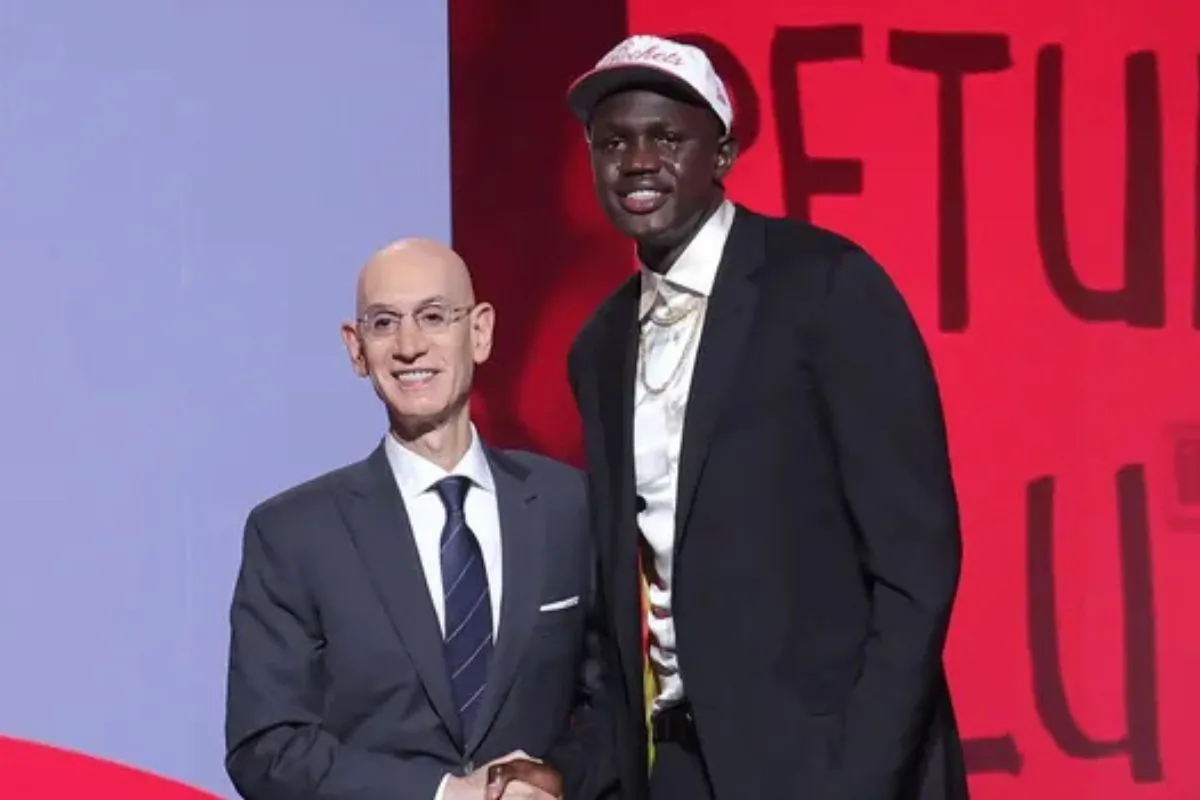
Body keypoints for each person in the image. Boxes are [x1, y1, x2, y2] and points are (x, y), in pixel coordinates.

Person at [560, 34, 969, 800]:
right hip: (680, 761)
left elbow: (916, 562)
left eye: (666, 138)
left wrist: (862, 770)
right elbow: (625, 592)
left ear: (722, 152)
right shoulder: (600, 345)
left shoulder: (824, 287)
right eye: (612, 142)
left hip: (830, 763)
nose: (637, 161)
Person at [224, 239, 616, 800]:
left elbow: (615, 705)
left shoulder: (567, 505)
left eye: (433, 317)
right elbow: (267, 747)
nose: (410, 346)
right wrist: (444, 793)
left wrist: (559, 778)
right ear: (356, 349)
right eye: (384, 323)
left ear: (479, 332)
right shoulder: (292, 535)